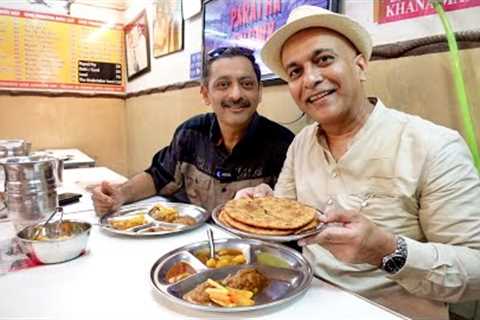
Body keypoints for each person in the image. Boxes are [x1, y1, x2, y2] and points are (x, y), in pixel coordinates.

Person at [236, 5, 480, 320]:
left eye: (323, 59)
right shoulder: (300, 145)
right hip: (305, 300)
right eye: (295, 71)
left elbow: (475, 271)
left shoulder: (434, 146)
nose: (310, 78)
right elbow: (285, 219)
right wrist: (261, 207)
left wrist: (387, 250)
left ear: (360, 66)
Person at [92, 46, 294, 215]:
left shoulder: (283, 145)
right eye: (223, 84)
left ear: (259, 92)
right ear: (206, 94)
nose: (235, 94)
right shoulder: (190, 133)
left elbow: (290, 213)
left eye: (247, 84)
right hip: (190, 240)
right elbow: (157, 176)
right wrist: (120, 194)